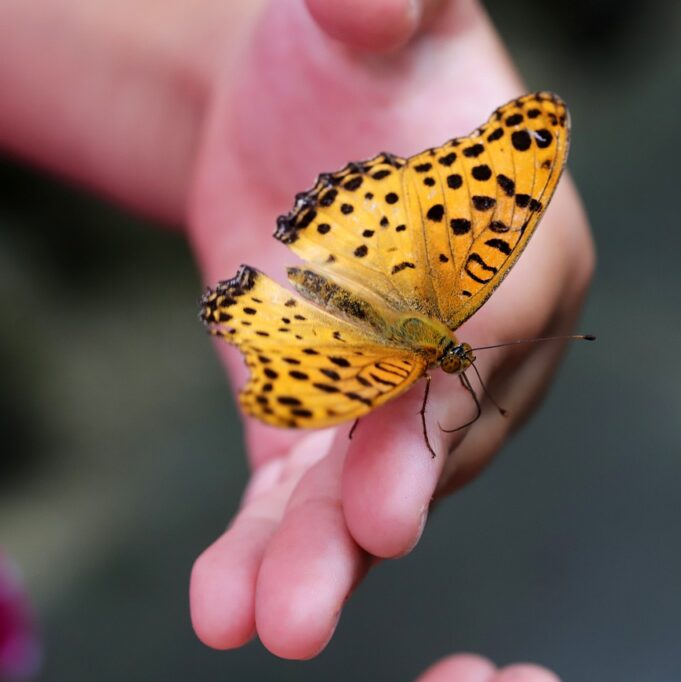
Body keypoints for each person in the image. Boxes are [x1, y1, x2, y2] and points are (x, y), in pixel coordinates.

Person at [0, 0, 594, 677]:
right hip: (379, 265)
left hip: (377, 245)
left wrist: (224, 53)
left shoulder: (425, 341)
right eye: (454, 359)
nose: (458, 363)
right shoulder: (436, 333)